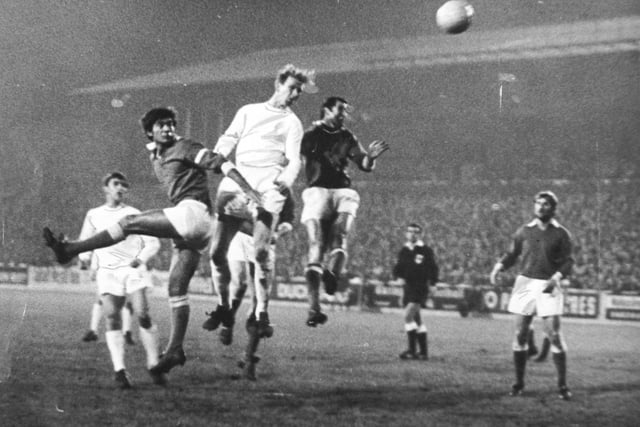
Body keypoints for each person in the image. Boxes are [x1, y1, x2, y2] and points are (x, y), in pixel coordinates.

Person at [43, 107, 261, 379]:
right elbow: (156, 151)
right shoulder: (156, 154)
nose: (169, 128)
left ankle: (70, 249)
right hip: (196, 228)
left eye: (171, 124)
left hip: (193, 213)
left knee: (128, 222)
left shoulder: (185, 146)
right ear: (150, 131)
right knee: (176, 287)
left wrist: (248, 188)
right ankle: (174, 350)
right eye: (162, 125)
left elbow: (220, 163)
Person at [202, 64, 316, 340]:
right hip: (237, 181)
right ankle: (223, 307)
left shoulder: (293, 123)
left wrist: (286, 181)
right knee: (216, 253)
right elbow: (229, 137)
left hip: (268, 186)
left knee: (261, 251)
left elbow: (293, 161)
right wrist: (220, 154)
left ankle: (262, 312)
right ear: (278, 85)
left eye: (298, 92)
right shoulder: (248, 111)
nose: (294, 95)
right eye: (291, 89)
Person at [299, 96, 389, 326]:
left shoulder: (347, 137)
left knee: (341, 237)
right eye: (340, 110)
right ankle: (313, 308)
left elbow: (365, 165)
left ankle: (332, 275)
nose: (344, 114)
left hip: (342, 190)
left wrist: (371, 158)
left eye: (346, 111)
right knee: (317, 245)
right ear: (326, 111)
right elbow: (295, 159)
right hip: (318, 190)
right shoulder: (310, 135)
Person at [73, 172, 162, 388]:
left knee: (142, 314)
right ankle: (120, 371)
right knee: (112, 317)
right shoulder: (94, 214)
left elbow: (153, 242)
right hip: (107, 272)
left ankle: (154, 363)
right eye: (116, 184)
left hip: (132, 270)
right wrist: (84, 259)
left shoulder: (133, 213)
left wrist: (140, 259)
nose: (121, 188)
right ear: (105, 188)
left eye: (124, 185)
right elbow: (84, 242)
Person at [490, 190, 573, 400]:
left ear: (553, 208)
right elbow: (512, 254)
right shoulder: (524, 231)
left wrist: (557, 276)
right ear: (534, 206)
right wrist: (498, 267)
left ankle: (562, 385)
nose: (541, 207)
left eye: (546, 204)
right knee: (520, 334)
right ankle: (518, 384)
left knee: (554, 335)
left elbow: (568, 261)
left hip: (549, 284)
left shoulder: (561, 233)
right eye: (538, 203)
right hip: (525, 283)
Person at [393, 223, 438, 361]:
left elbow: (433, 268)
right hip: (408, 287)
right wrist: (398, 277)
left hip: (420, 287)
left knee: (407, 316)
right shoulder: (404, 250)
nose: (413, 234)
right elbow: (398, 267)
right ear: (406, 233)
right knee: (417, 319)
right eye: (410, 231)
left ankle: (412, 350)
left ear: (420, 234)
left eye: (416, 232)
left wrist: (433, 284)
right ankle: (423, 353)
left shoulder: (425, 250)